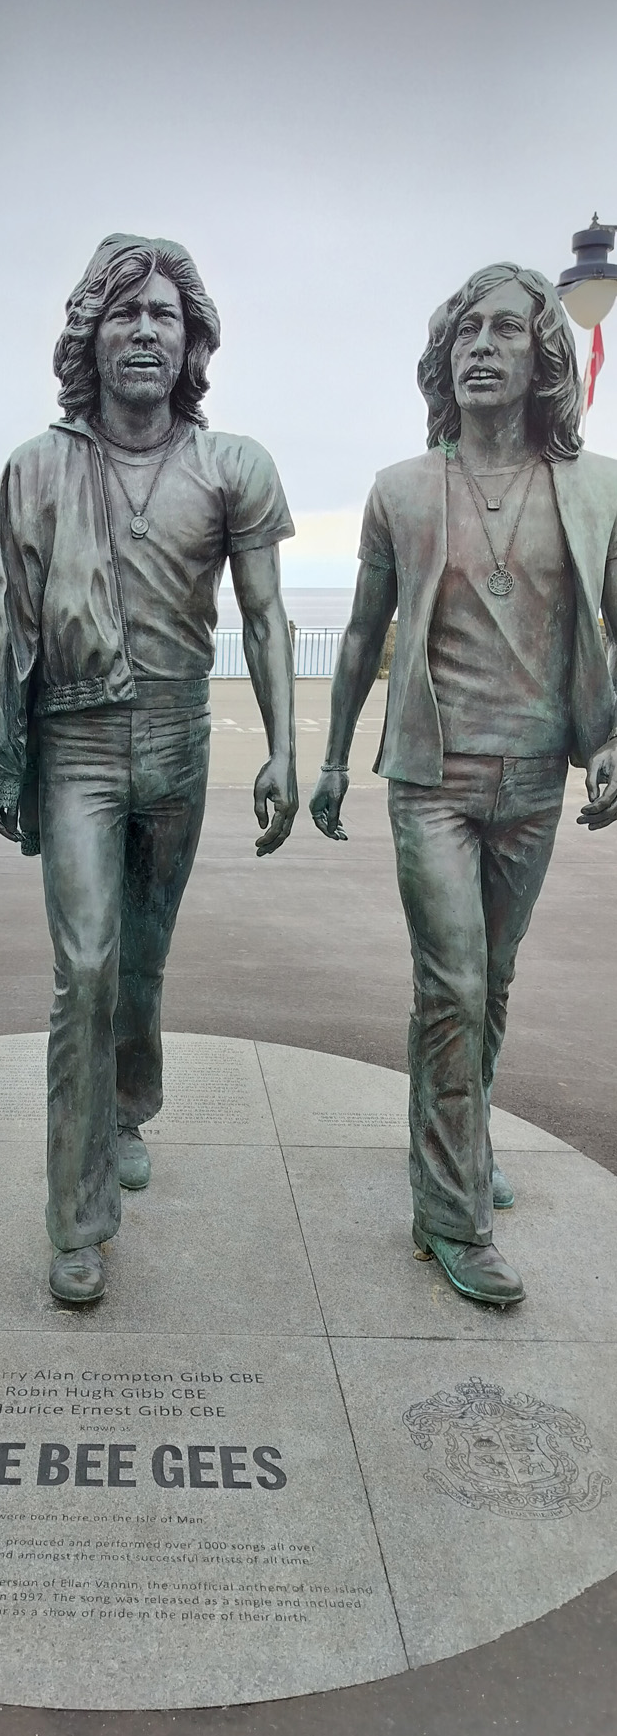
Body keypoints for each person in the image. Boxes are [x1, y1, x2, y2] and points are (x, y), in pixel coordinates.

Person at [0, 233, 297, 1303]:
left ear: (192, 338)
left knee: (144, 965)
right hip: (74, 742)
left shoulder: (232, 465)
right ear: (90, 337)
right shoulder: (37, 466)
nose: (144, 332)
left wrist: (286, 748)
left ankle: (126, 1107)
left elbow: (264, 616)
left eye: (163, 315)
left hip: (179, 742)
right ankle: (77, 1214)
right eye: (124, 315)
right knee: (87, 969)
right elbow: (7, 628)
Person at [310, 263, 617, 1306]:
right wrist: (330, 759)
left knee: (491, 983)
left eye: (505, 329)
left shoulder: (596, 487)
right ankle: (451, 1215)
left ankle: (462, 1136)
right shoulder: (404, 488)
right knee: (452, 984)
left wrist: (612, 739)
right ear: (444, 360)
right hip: (431, 780)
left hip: (535, 777)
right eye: (464, 331)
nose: (481, 345)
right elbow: (361, 635)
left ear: (544, 358)